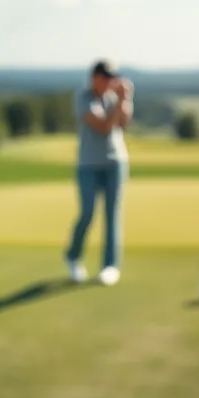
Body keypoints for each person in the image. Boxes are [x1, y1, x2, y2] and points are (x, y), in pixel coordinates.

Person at [64, 59, 133, 286]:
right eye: (105, 77)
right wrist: (118, 103)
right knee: (87, 212)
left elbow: (123, 123)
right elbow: (103, 126)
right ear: (94, 77)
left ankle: (110, 266)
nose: (109, 82)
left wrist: (125, 100)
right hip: (88, 165)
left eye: (112, 78)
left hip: (115, 163)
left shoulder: (114, 98)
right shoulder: (83, 97)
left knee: (112, 215)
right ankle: (73, 256)